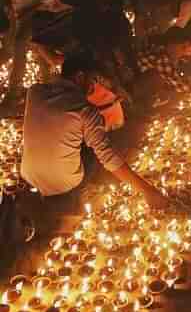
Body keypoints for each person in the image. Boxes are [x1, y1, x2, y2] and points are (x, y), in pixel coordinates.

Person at [20, 53, 168, 210]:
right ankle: (83, 191)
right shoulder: (85, 110)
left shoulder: (34, 92)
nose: (94, 86)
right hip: (65, 184)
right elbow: (108, 156)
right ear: (80, 76)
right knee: (103, 144)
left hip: (30, 176)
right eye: (92, 80)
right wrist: (147, 190)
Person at [4, 0, 72, 107]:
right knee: (36, 49)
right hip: (20, 11)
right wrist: (11, 4)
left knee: (21, 43)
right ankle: (48, 89)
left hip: (39, 12)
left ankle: (13, 95)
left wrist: (37, 9)